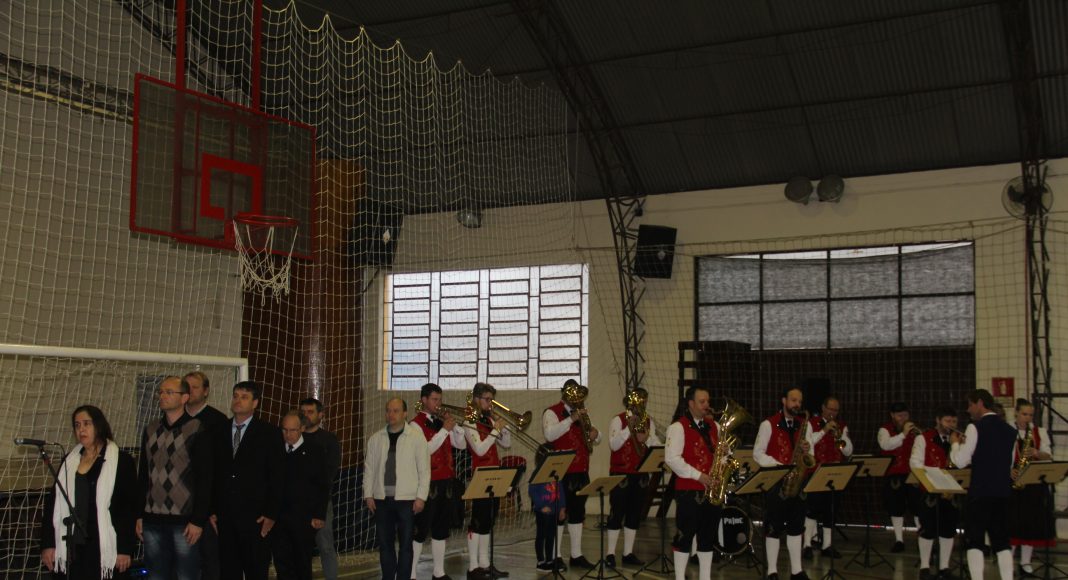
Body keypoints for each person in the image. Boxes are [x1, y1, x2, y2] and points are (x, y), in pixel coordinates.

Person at [40, 405, 139, 579]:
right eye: (77, 425)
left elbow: (128, 508)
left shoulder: (121, 461)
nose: (81, 429)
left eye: (87, 424)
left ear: (99, 426)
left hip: (103, 543)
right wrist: (48, 544)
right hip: (72, 543)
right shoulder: (69, 460)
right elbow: (53, 504)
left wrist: (124, 548)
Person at [137, 376, 213, 580]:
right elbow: (143, 474)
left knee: (186, 575)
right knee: (156, 575)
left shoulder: (197, 428)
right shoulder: (151, 429)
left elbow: (205, 479)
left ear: (184, 397)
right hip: (152, 517)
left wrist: (198, 520)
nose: (163, 396)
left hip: (184, 521)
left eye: (169, 392)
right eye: (161, 392)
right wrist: (139, 515)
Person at [210, 380, 285, 580]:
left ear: (255, 403)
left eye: (244, 397)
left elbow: (277, 476)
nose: (238, 400)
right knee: (228, 571)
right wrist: (212, 509)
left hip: (256, 518)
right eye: (235, 396)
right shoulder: (218, 430)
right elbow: (213, 473)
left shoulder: (269, 433)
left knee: (256, 570)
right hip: (225, 516)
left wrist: (271, 514)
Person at [950, 389, 1017, 580]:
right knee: (1002, 542)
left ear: (979, 403)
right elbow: (1010, 463)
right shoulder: (1010, 431)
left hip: (980, 492)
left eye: (970, 405)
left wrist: (955, 444)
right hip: (1002, 492)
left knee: (975, 541)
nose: (968, 409)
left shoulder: (974, 427)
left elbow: (960, 461)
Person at [364, 397, 430, 580]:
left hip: (407, 501)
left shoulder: (416, 438)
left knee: (406, 546)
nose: (391, 414)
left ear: (405, 413)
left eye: (395, 411)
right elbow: (369, 470)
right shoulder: (375, 439)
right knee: (385, 545)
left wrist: (421, 497)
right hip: (381, 500)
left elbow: (424, 471)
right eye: (388, 411)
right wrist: (368, 495)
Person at [753, 387, 816, 580]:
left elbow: (811, 455)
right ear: (783, 400)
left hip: (799, 482)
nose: (797, 404)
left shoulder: (805, 425)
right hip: (777, 483)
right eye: (794, 400)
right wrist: (781, 467)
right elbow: (758, 454)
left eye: (800, 401)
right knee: (774, 527)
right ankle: (772, 571)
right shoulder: (768, 424)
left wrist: (806, 449)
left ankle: (796, 571)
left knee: (796, 527)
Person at [543, 379, 601, 569]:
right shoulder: (552, 412)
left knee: (578, 513)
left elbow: (596, 436)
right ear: (564, 394)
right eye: (573, 394)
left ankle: (576, 555)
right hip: (562, 472)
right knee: (560, 514)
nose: (576, 398)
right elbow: (550, 435)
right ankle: (556, 555)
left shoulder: (582, 412)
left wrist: (596, 434)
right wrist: (571, 419)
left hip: (581, 470)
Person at [410, 383, 466, 580]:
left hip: (446, 481)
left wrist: (455, 427)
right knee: (420, 530)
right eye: (434, 399)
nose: (438, 403)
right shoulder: (415, 425)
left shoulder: (442, 422)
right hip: (427, 483)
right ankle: (411, 574)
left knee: (441, 529)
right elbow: (424, 451)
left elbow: (461, 444)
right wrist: (444, 430)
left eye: (440, 399)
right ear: (424, 400)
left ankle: (439, 572)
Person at [664, 385, 720, 580]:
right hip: (689, 491)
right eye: (702, 402)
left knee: (707, 538)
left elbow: (721, 456)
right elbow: (672, 459)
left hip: (712, 491)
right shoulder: (677, 427)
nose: (707, 405)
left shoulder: (714, 426)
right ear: (691, 404)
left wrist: (725, 455)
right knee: (684, 536)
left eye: (708, 401)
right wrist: (699, 476)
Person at [606, 387, 662, 568]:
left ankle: (628, 553)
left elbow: (656, 445)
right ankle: (610, 554)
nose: (641, 404)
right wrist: (628, 429)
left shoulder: (648, 421)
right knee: (617, 513)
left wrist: (647, 438)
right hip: (621, 473)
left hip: (640, 474)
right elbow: (613, 445)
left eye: (644, 401)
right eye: (639, 401)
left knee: (634, 514)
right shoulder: (618, 420)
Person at [273, 410, 329, 580]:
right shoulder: (275, 449)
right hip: (279, 518)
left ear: (302, 429)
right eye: (284, 430)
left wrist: (319, 514)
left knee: (302, 564)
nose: (288, 434)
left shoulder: (315, 451)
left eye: (293, 430)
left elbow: (322, 485)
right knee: (282, 563)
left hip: (304, 519)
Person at [465, 383, 513, 580]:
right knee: (477, 521)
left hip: (494, 473)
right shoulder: (469, 421)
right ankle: (472, 567)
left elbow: (506, 443)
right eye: (487, 399)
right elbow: (480, 450)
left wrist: (503, 428)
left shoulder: (489, 419)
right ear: (476, 399)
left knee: (488, 521)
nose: (490, 403)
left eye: (491, 399)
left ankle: (485, 564)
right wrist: (495, 430)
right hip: (480, 475)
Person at [183, 371, 227, 580]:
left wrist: (214, 508)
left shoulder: (218, 421)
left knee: (210, 562)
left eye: (195, 387)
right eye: (187, 387)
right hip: (180, 506)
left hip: (208, 509)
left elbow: (220, 469)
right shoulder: (175, 418)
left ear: (206, 391)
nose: (190, 391)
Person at [909, 406, 961, 579]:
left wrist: (956, 445)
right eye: (947, 421)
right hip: (930, 490)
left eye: (954, 421)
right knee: (928, 529)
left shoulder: (958, 440)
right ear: (938, 420)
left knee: (948, 529)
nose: (951, 425)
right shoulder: (923, 438)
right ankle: (924, 567)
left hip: (951, 491)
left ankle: (944, 567)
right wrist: (934, 478)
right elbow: (915, 463)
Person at [803, 395, 853, 560]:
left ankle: (827, 545)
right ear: (823, 408)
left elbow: (848, 451)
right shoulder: (811, 424)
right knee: (812, 509)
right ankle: (807, 545)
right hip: (816, 471)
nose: (833, 413)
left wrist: (840, 437)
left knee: (831, 510)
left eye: (836, 410)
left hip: (835, 473)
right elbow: (808, 444)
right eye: (830, 409)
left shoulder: (841, 426)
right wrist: (824, 431)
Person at [1008, 398, 1054, 577]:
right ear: (1016, 413)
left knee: (1031, 524)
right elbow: (999, 455)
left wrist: (1036, 452)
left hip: (1033, 484)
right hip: (1013, 482)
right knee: (1012, 524)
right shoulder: (1008, 430)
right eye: (1024, 414)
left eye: (1030, 415)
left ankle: (1025, 562)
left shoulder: (1038, 432)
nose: (1027, 418)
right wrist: (1008, 470)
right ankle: (1008, 562)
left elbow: (1048, 455)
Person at [300, 396, 341, 580]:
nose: (306, 415)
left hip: (321, 503)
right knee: (299, 548)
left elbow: (329, 474)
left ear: (321, 415)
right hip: (296, 504)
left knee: (325, 546)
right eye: (303, 412)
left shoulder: (329, 440)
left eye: (310, 412)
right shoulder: (294, 437)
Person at [877, 401, 919, 552]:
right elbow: (886, 445)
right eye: (900, 415)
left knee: (917, 506)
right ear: (892, 415)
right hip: (893, 474)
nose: (903, 418)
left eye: (905, 415)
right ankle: (899, 540)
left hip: (912, 473)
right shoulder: (884, 429)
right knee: (896, 507)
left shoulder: (913, 430)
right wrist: (903, 434)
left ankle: (923, 538)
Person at [530, 476, 568, 572]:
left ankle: (549, 560)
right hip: (542, 511)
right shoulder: (538, 474)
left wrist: (562, 508)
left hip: (554, 510)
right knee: (541, 535)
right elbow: (532, 490)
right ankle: (540, 562)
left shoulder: (557, 475)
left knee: (551, 536)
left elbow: (561, 491)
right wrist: (541, 506)